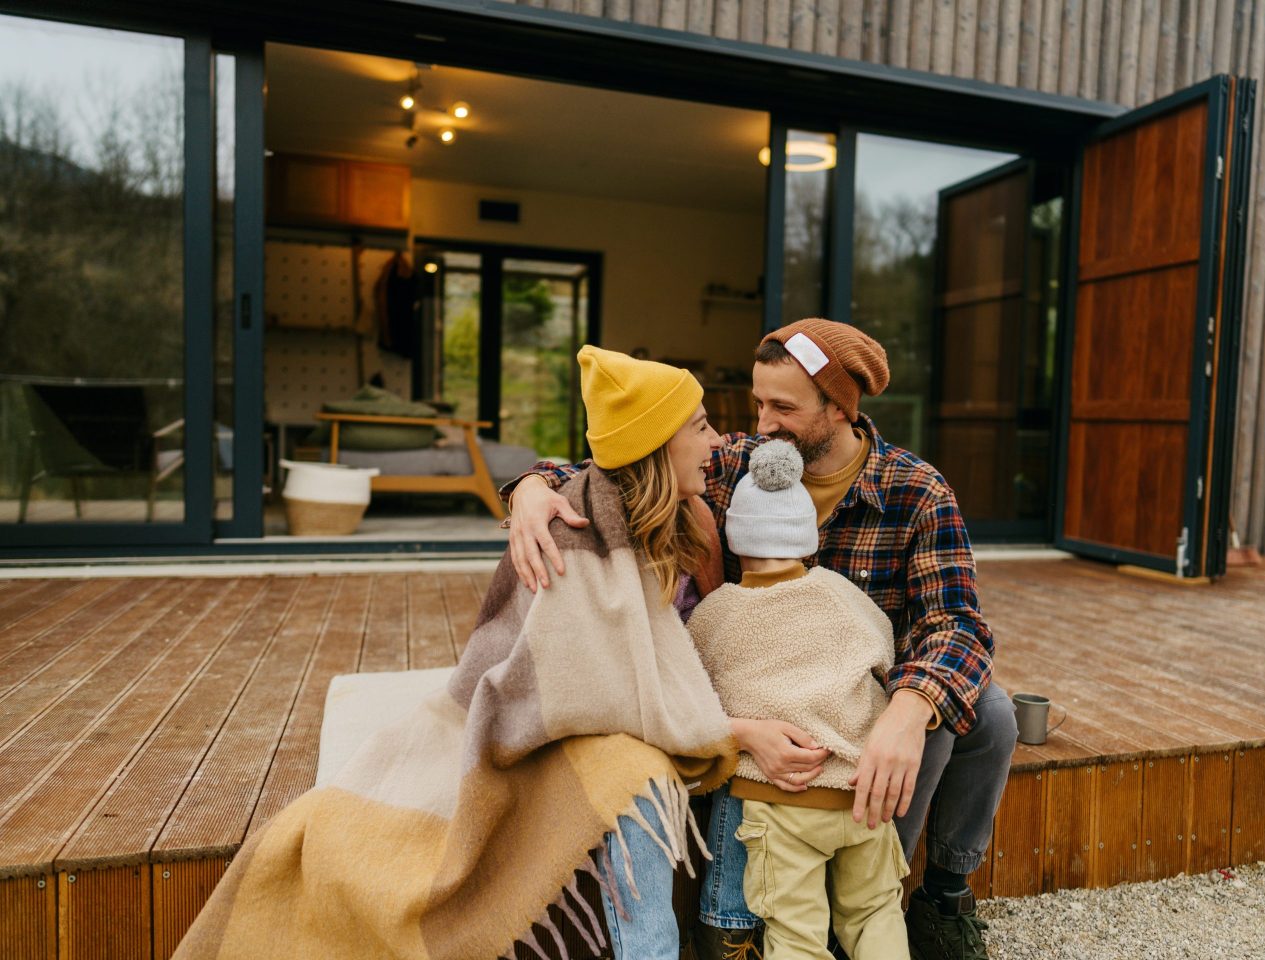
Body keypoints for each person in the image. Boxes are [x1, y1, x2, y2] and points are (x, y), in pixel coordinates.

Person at [174, 344, 739, 960]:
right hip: (546, 727)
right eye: (702, 427)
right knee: (635, 778)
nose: (718, 442)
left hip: (649, 712)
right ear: (657, 444)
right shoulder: (573, 531)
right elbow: (586, 690)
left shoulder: (694, 521)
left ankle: (729, 940)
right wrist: (738, 731)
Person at [506, 319, 1018, 960]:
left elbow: (959, 624)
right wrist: (530, 488)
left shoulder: (915, 491)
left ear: (839, 409)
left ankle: (936, 893)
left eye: (784, 407)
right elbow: (617, 462)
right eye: (758, 403)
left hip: (858, 696)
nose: (763, 424)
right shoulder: (737, 463)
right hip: (757, 701)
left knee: (983, 711)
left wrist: (909, 710)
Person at [687, 438, 909, 960]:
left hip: (779, 803)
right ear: (808, 540)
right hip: (859, 794)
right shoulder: (841, 593)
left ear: (736, 541)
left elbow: (690, 695)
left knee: (795, 931)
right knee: (875, 912)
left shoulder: (714, 615)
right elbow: (885, 652)